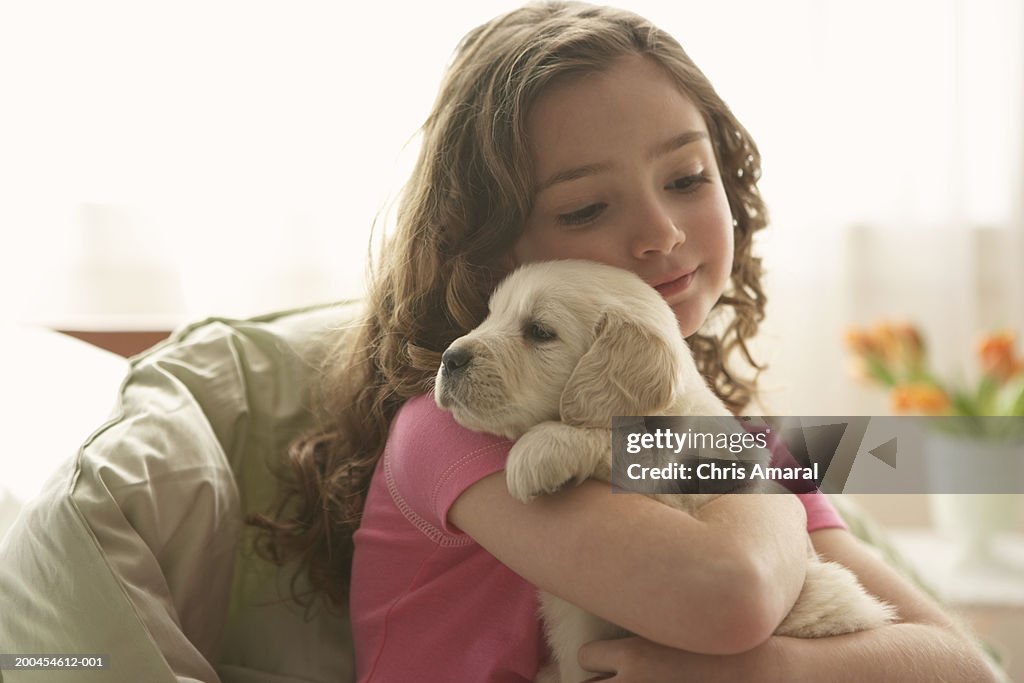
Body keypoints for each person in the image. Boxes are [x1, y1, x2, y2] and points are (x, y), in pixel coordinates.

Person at [250, 2, 998, 681]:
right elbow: (729, 593)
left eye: (687, 177)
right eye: (586, 208)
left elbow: (963, 667)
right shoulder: (459, 430)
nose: (663, 232)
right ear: (493, 255)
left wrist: (775, 672)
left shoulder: (728, 444)